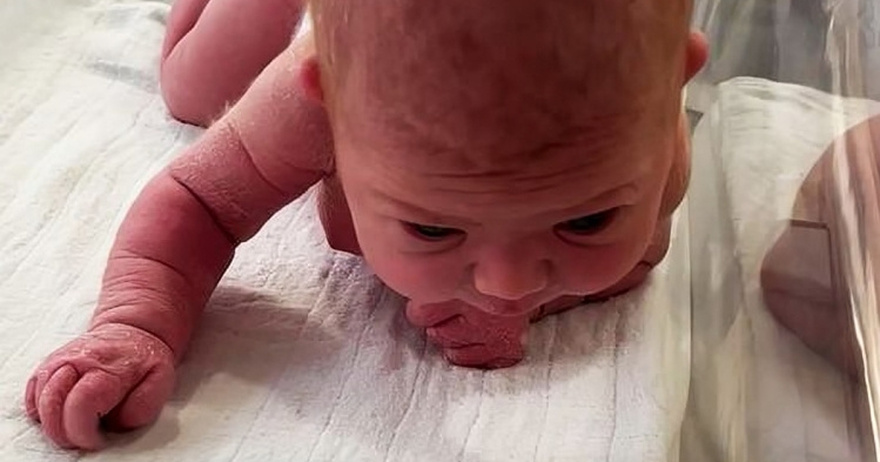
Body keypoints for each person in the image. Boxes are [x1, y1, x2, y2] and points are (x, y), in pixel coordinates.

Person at [25, 0, 708, 451]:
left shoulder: (649, 145)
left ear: (679, 80)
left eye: (585, 221)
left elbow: (646, 252)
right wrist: (136, 322)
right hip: (320, 43)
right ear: (328, 102)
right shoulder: (304, 102)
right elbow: (199, 200)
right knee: (194, 91)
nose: (508, 282)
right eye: (435, 228)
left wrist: (556, 303)